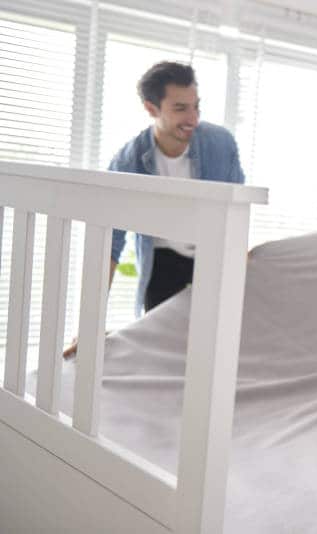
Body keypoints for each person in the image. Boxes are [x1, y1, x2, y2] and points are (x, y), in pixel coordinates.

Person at [63, 61, 245, 357]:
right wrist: (88, 326)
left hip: (213, 255)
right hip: (163, 262)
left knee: (216, 349)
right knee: (161, 354)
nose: (193, 118)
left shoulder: (220, 144)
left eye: (196, 107)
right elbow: (109, 245)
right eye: (180, 109)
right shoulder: (128, 163)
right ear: (151, 109)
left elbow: (236, 214)